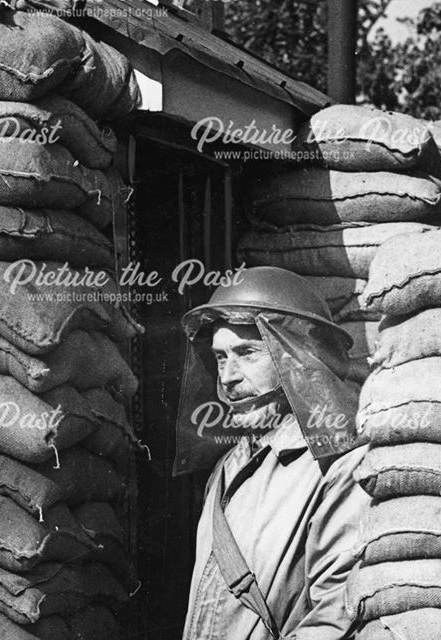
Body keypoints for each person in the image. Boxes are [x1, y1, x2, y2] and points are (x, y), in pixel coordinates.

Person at [179, 266, 368, 640]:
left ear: (296, 358)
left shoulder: (339, 469)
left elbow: (334, 618)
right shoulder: (229, 466)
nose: (228, 376)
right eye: (220, 357)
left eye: (247, 353)